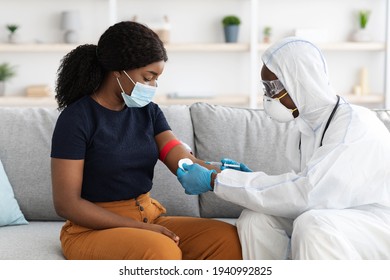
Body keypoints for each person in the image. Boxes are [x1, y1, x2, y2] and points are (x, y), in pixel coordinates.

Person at [177, 37, 390, 260]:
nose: (268, 96)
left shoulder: (353, 126)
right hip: (335, 211)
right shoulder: (306, 127)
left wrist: (216, 180)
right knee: (256, 218)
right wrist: (249, 179)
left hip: (373, 221)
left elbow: (306, 194)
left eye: (274, 87)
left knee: (313, 224)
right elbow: (303, 186)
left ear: (300, 82)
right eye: (265, 87)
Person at [50, 21, 242, 260]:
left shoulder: (148, 112)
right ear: (118, 69)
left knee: (227, 239)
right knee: (161, 251)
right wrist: (141, 229)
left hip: (147, 215)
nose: (153, 87)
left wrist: (223, 173)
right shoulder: (76, 119)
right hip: (91, 229)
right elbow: (66, 204)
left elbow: (177, 156)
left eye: (157, 79)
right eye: (148, 77)